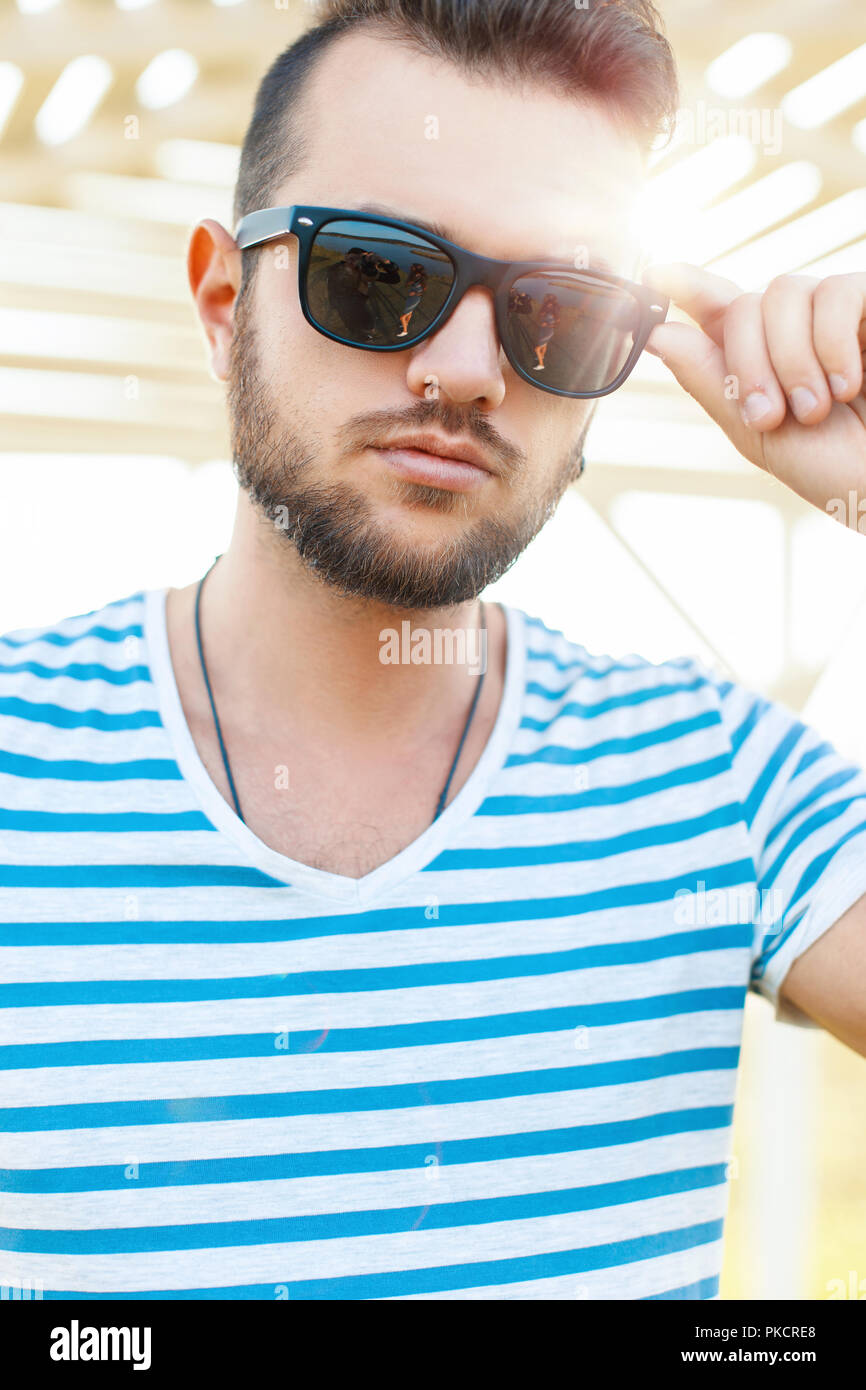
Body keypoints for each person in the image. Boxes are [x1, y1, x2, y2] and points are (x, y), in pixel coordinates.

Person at [2, 0, 865, 1304]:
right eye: (376, 274)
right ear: (222, 300)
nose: (465, 372)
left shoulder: (719, 776)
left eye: (557, 310)